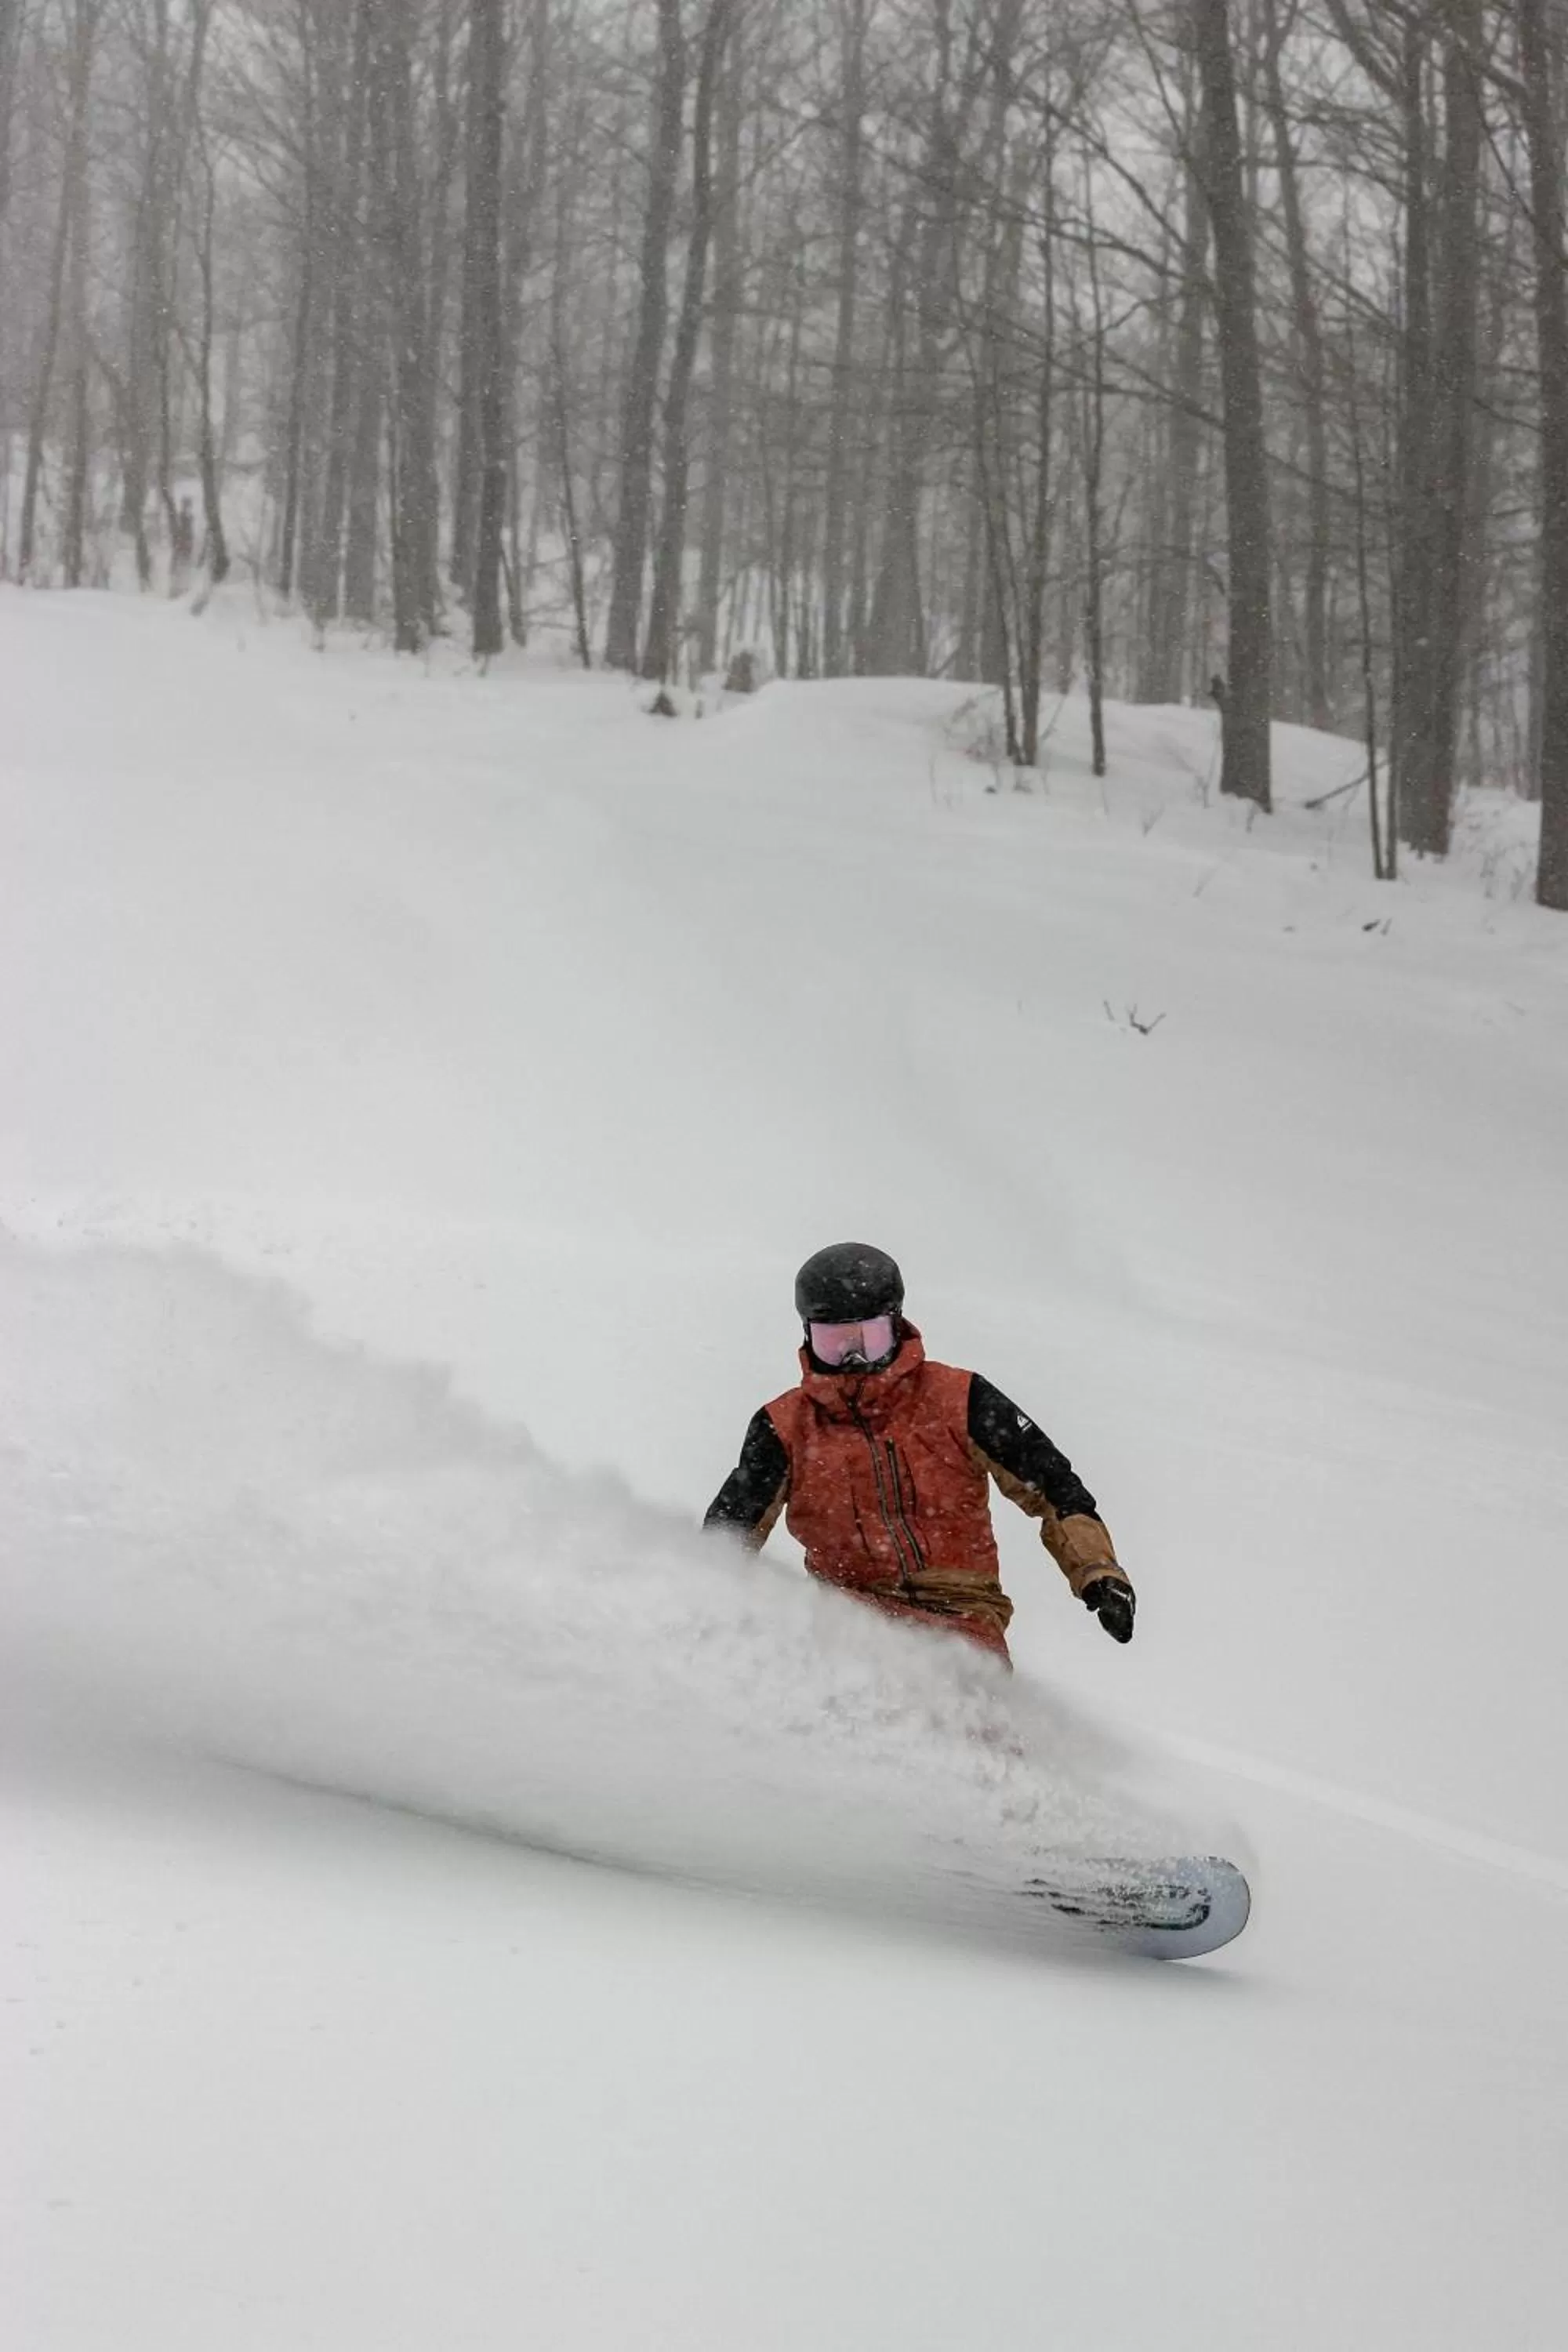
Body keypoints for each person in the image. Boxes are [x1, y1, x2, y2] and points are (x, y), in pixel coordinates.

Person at [705, 1243, 1134, 1664]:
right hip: (850, 1624)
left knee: (978, 1724)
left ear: (896, 1325)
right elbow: (729, 1534)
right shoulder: (785, 1428)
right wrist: (701, 1605)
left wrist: (1098, 1572)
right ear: (807, 1336)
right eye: (834, 1341)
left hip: (962, 1620)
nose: (853, 1357)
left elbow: (1055, 1489)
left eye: (867, 1339)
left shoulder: (961, 1400)